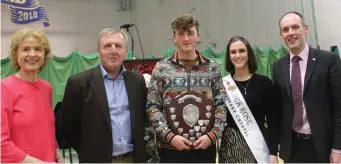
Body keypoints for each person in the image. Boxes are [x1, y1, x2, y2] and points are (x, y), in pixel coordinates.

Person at [146, 14, 227, 163]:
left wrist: (213, 135)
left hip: (204, 147)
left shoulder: (212, 68)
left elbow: (221, 105)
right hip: (171, 149)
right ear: (174, 37)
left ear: (198, 36)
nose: (186, 39)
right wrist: (170, 136)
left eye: (190, 33)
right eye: (181, 34)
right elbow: (152, 106)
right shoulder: (161, 68)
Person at [61, 28, 148, 163]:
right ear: (98, 51)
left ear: (126, 51)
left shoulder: (137, 81)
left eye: (118, 46)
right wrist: (88, 151)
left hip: (133, 159)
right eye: (107, 46)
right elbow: (68, 126)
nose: (113, 51)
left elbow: (143, 118)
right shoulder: (78, 83)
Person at [273, 11, 341, 163]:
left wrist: (338, 148)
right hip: (292, 147)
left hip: (324, 146)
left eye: (295, 27)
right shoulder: (278, 66)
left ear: (306, 29)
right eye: (285, 30)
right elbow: (279, 109)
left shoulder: (329, 60)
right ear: (281, 35)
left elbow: (339, 107)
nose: (290, 33)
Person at [1, 28, 64, 163]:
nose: (32, 54)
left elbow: (47, 130)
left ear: (44, 55)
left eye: (38, 49)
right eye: (25, 49)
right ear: (15, 55)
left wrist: (57, 153)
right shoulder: (4, 88)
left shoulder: (46, 88)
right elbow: (2, 145)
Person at [218, 36, 280, 163]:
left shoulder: (264, 83)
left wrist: (273, 152)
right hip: (230, 147)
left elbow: (274, 121)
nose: (238, 55)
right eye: (233, 52)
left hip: (259, 147)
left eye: (242, 51)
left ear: (249, 53)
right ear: (229, 57)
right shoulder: (223, 85)